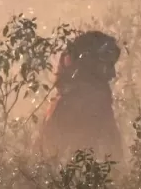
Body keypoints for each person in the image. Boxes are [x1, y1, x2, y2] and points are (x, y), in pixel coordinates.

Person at [36, 30, 123, 161]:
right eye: (108, 65)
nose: (112, 74)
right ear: (90, 65)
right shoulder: (77, 107)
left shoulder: (95, 106)